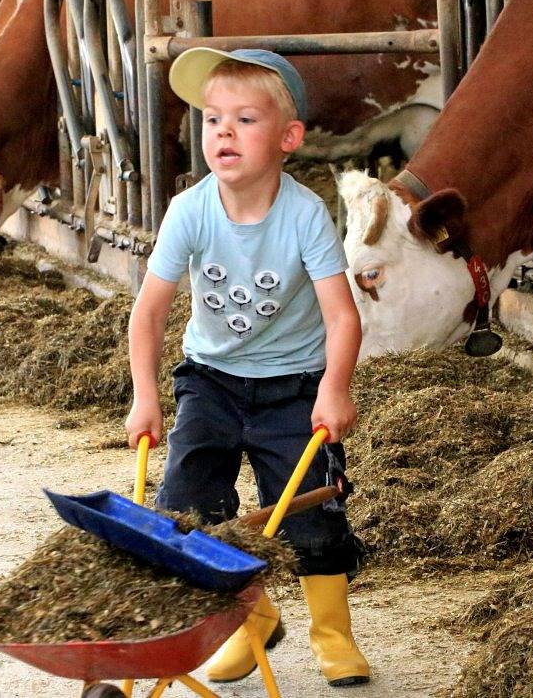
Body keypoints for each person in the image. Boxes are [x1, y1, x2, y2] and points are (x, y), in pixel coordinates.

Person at [125, 47, 369, 688]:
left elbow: (343, 317)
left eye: (244, 119)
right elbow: (149, 314)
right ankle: (250, 621)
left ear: (289, 138)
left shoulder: (306, 216)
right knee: (187, 507)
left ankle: (332, 635)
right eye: (211, 119)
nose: (223, 132)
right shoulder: (190, 211)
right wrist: (144, 396)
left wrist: (334, 388)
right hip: (209, 379)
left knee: (308, 515)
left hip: (293, 387)